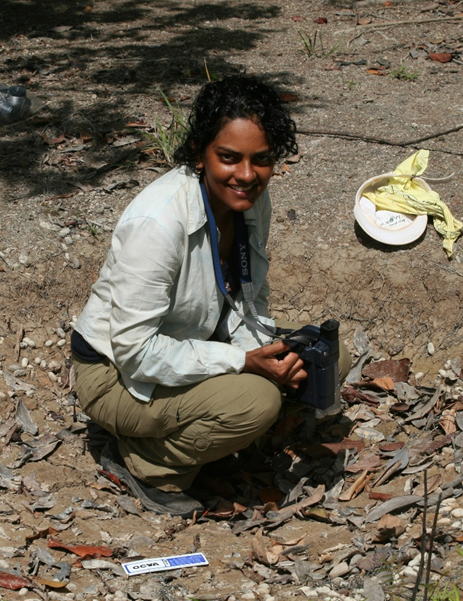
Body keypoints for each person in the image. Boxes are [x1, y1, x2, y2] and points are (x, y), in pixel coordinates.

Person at [71, 76, 347, 516]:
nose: (246, 175)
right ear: (201, 152)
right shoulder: (158, 223)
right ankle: (145, 462)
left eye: (261, 160)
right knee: (256, 402)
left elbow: (248, 295)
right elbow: (134, 352)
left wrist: (266, 355)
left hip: (193, 339)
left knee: (322, 356)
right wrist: (243, 364)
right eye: (229, 158)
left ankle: (238, 432)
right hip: (115, 375)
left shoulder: (250, 198)